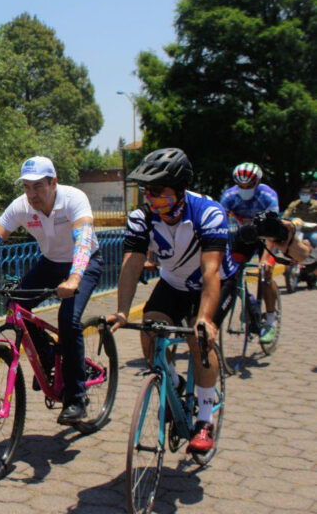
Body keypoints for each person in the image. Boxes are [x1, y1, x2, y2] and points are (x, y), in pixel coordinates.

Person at [0, 156, 102, 425]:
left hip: (85, 263)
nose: (31, 194)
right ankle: (48, 360)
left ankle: (76, 398)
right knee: (17, 305)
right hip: (51, 263)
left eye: (38, 186)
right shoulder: (21, 206)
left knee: (68, 320)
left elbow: (82, 241)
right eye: (26, 187)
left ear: (54, 183)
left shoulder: (73, 199)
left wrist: (74, 278)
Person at [110, 148, 238, 454]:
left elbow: (210, 271)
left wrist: (204, 319)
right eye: (147, 191)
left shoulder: (208, 213)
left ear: (180, 190)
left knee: (199, 339)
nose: (150, 198)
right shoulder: (142, 218)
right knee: (150, 331)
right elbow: (132, 264)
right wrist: (122, 311)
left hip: (213, 283)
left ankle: (204, 420)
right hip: (173, 283)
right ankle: (175, 384)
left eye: (157, 191)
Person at [220, 163, 280, 343]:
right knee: (232, 272)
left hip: (266, 235)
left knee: (265, 274)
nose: (245, 188)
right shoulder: (229, 196)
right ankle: (249, 303)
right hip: (244, 237)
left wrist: (265, 260)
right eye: (241, 185)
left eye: (249, 185)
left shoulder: (268, 196)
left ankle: (271, 321)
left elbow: (272, 229)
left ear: (257, 182)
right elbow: (219, 223)